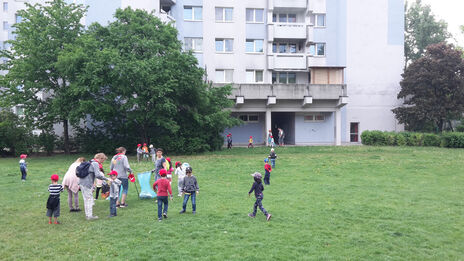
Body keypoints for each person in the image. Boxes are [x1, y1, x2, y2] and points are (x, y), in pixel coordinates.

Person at [79, 153, 110, 220]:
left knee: (86, 199)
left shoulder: (90, 161)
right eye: (103, 160)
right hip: (87, 183)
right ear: (100, 158)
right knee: (89, 199)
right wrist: (107, 179)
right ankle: (90, 216)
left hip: (81, 182)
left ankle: (87, 215)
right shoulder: (95, 163)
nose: (103, 162)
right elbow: (98, 175)